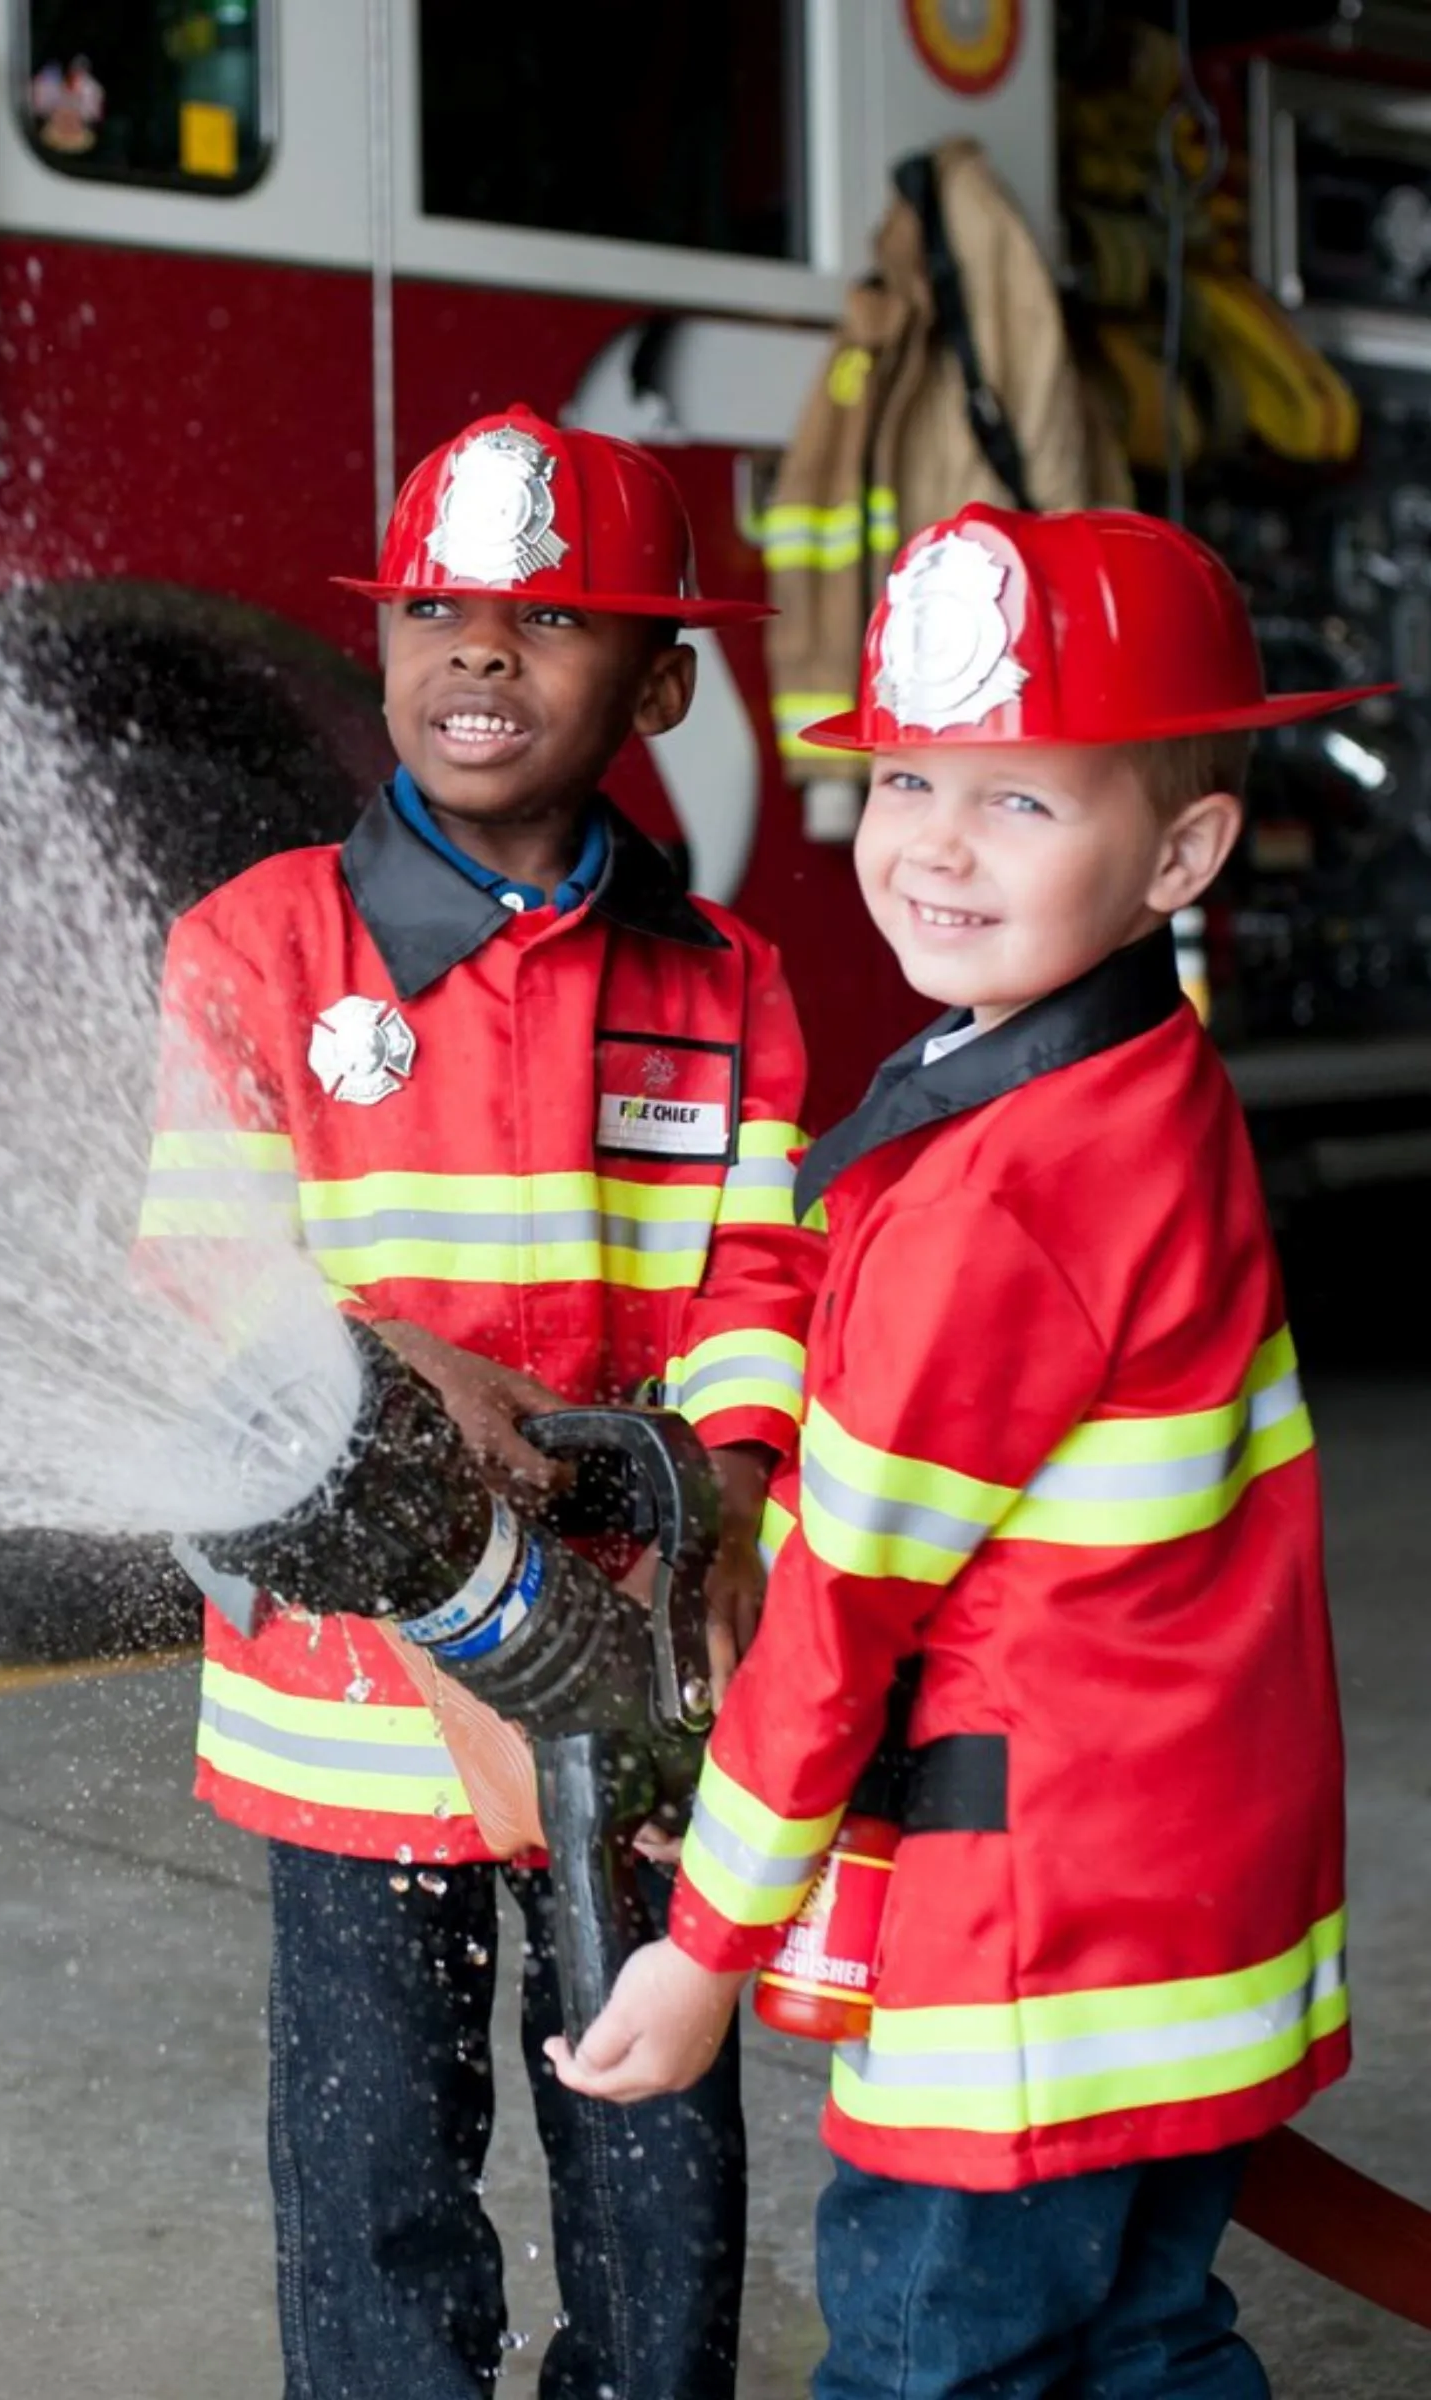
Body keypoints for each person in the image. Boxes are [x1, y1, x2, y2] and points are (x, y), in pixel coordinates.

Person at [548, 503, 1371, 2399]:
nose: (929, 840)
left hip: (1032, 1953)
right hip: (1192, 1907)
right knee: (1149, 2340)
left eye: (1018, 800)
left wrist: (703, 1948)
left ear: (1182, 850)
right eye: (909, 772)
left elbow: (845, 1607)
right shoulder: (1136, 1083)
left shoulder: (1003, 1195)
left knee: (939, 2362)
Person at [136, 402, 823, 2400]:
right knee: (373, 2179)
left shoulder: (724, 983)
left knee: (652, 2139)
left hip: (621, 1687)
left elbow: (754, 1288)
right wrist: (380, 1362)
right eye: (433, 606)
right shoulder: (253, 952)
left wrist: (728, 1514)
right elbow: (194, 1278)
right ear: (381, 644)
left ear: (665, 678)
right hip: (347, 1721)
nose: (476, 654)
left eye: (548, 619)